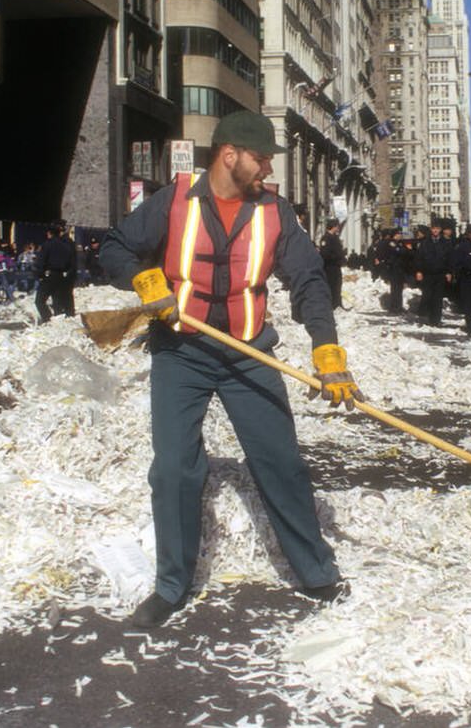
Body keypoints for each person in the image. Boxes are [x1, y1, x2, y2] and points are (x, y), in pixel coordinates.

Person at [99, 110, 359, 629]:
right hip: (180, 352)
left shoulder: (276, 213)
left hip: (249, 354)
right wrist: (145, 281)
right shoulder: (173, 200)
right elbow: (114, 249)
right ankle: (172, 586)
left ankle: (315, 571)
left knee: (280, 461)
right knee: (174, 468)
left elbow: (308, 281)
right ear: (230, 154)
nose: (267, 168)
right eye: (261, 158)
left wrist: (326, 350)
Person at [35, 223, 77, 321]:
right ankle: (61, 319)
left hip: (50, 275)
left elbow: (41, 262)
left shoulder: (47, 245)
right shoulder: (67, 245)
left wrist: (40, 274)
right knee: (58, 300)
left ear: (50, 233)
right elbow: (71, 262)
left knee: (40, 301)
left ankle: (48, 319)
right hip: (62, 276)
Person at [414, 221, 451, 326]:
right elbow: (419, 258)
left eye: (437, 228)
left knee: (438, 298)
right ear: (431, 229)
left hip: (440, 273)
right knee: (428, 295)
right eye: (433, 228)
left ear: (440, 230)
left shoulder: (446, 243)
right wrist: (419, 271)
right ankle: (428, 317)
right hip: (428, 273)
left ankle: (436, 320)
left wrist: (449, 272)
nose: (435, 230)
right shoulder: (425, 243)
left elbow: (449, 258)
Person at [319, 218, 345, 309]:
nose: (338, 228)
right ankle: (331, 305)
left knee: (337, 285)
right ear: (333, 227)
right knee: (331, 286)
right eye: (337, 226)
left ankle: (337, 304)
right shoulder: (326, 238)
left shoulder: (334, 237)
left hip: (336, 267)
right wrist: (335, 258)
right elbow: (325, 254)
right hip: (330, 267)